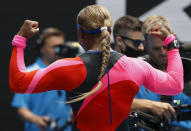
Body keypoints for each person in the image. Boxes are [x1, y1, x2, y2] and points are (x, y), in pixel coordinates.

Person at [9, 5, 183, 131]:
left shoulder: (68, 67)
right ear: (109, 31)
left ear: (81, 35)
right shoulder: (136, 66)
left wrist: (20, 39)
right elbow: (175, 84)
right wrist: (171, 44)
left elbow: (18, 82)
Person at [134, 14, 191, 130]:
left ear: (173, 39)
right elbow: (113, 103)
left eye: (166, 47)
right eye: (156, 48)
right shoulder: (134, 71)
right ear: (146, 45)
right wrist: (150, 106)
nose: (162, 52)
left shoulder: (189, 71)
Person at [11, 28, 72, 131]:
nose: (59, 51)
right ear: (42, 48)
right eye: (54, 47)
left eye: (61, 47)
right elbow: (21, 107)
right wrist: (36, 119)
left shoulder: (68, 72)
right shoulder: (29, 73)